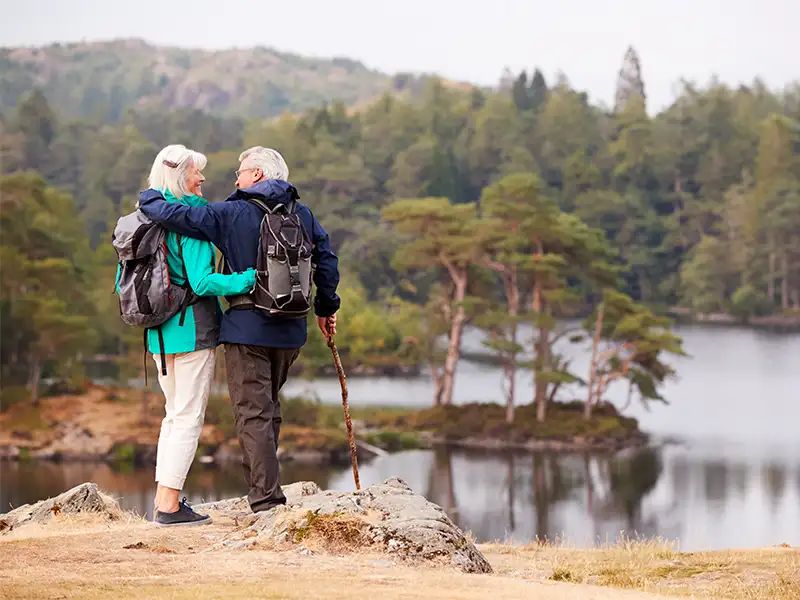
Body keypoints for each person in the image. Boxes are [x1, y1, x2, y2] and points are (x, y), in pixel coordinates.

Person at [137, 146, 340, 513]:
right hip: (291, 330)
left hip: (246, 329)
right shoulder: (304, 214)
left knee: (253, 414)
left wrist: (149, 195)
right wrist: (327, 309)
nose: (236, 178)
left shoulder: (231, 213)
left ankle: (265, 500)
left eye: (241, 171)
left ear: (258, 175)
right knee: (270, 410)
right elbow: (326, 261)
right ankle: (268, 490)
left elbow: (176, 216)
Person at [132, 144, 257, 527]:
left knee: (173, 417)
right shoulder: (193, 218)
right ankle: (169, 507)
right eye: (195, 172)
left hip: (159, 333)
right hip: (192, 330)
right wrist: (248, 279)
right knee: (187, 418)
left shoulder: (148, 217)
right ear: (179, 176)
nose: (202, 179)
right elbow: (202, 281)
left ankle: (163, 500)